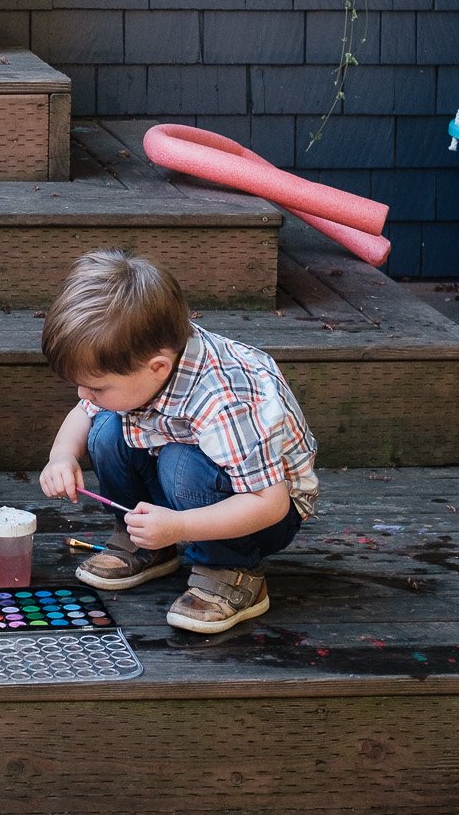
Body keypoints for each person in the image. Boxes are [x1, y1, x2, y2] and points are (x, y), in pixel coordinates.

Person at [37, 249, 316, 633]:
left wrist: (180, 525)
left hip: (263, 512)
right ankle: (150, 544)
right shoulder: (137, 367)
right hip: (196, 501)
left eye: (97, 386)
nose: (84, 394)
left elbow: (269, 504)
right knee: (104, 430)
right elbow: (83, 415)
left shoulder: (225, 400)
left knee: (179, 463)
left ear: (157, 368)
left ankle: (233, 572)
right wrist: (62, 456)